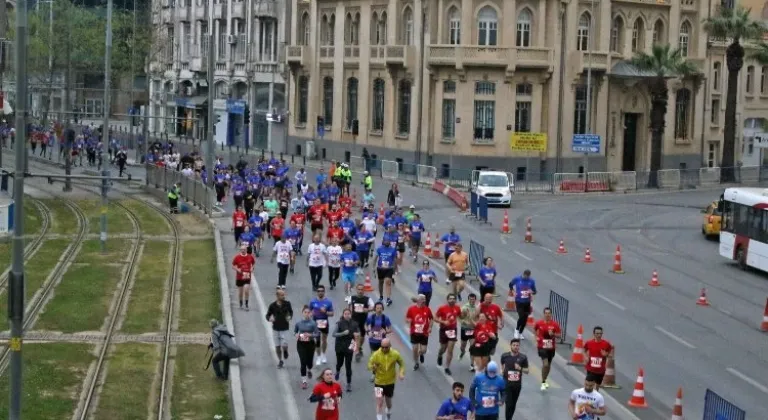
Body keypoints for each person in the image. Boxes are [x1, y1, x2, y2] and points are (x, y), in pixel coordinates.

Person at [367, 338, 406, 420]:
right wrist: (373, 367)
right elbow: (369, 365)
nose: (384, 349)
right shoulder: (376, 354)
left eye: (386, 347)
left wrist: (401, 373)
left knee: (389, 403)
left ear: (390, 346)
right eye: (382, 347)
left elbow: (402, 364)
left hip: (390, 382)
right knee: (379, 402)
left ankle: (388, 411)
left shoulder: (395, 354)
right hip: (379, 382)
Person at [500, 339, 529, 420]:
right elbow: (502, 363)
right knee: (508, 404)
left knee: (513, 405)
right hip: (507, 384)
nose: (516, 347)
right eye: (514, 345)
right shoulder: (505, 355)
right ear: (511, 346)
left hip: (517, 385)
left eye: (517, 345)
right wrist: (502, 370)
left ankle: (509, 418)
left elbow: (527, 371)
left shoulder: (523, 357)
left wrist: (520, 368)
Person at [534, 307, 562, 391]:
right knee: (545, 364)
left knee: (548, 366)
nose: (547, 315)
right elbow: (535, 329)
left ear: (551, 314)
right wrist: (536, 337)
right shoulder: (539, 323)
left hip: (551, 347)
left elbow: (559, 336)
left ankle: (544, 380)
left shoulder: (555, 324)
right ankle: (543, 382)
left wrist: (553, 334)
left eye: (549, 313)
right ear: (544, 314)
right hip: (542, 346)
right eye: (546, 313)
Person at [266, 287, 294, 368]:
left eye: (284, 295)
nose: (284, 296)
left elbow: (291, 312)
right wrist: (269, 318)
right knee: (277, 347)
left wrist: (289, 317)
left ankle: (285, 351)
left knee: (284, 344)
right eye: (282, 295)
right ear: (277, 296)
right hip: (276, 328)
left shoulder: (287, 304)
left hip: (285, 327)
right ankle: (280, 361)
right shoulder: (272, 305)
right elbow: (267, 315)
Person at [332, 308, 359, 391]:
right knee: (339, 363)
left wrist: (356, 334)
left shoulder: (354, 324)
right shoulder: (339, 323)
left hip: (349, 346)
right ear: (343, 315)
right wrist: (342, 333)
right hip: (340, 346)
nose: (347, 315)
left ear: (351, 315)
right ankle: (337, 371)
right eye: (345, 314)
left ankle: (348, 383)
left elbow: (358, 333)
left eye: (348, 314)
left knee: (348, 365)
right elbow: (334, 334)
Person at [435, 293, 462, 375]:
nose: (452, 300)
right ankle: (440, 355)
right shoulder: (442, 308)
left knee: (450, 349)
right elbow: (435, 318)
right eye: (450, 298)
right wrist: (443, 322)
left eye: (454, 298)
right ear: (447, 300)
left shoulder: (457, 308)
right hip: (443, 330)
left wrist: (465, 315)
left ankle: (447, 367)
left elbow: (460, 316)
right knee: (443, 348)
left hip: (453, 330)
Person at [405, 294, 434, 370]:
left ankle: (421, 354)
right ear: (418, 300)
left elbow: (431, 319)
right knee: (415, 349)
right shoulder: (411, 309)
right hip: (414, 332)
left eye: (424, 299)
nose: (424, 300)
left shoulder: (427, 309)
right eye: (422, 299)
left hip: (424, 333)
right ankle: (416, 363)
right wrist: (409, 321)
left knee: (424, 350)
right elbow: (407, 318)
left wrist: (430, 327)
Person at [348, 283, 374, 362]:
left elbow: (372, 306)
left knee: (362, 337)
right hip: (354, 321)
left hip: (363, 321)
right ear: (356, 290)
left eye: (361, 289)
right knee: (357, 336)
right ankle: (357, 353)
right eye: (358, 289)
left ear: (364, 290)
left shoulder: (368, 299)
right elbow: (349, 307)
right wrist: (349, 315)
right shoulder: (351, 298)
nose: (360, 291)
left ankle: (359, 347)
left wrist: (368, 309)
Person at [295, 306, 320, 389]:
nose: (307, 314)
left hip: (310, 344)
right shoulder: (298, 323)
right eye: (305, 312)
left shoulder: (313, 323)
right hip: (301, 344)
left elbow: (317, 334)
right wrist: (296, 335)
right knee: (303, 362)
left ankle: (309, 369)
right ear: (302, 313)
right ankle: (304, 381)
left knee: (309, 363)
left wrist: (310, 335)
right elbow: (295, 331)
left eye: (308, 312)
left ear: (310, 314)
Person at [310, 286, 335, 365]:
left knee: (324, 340)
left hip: (324, 322)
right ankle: (318, 356)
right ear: (317, 292)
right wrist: (311, 314)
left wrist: (326, 312)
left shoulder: (328, 302)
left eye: (322, 291)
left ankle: (323, 355)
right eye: (319, 291)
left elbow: (332, 313)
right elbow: (308, 311)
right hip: (315, 322)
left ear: (324, 292)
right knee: (317, 340)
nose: (320, 292)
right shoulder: (313, 301)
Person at [583, 326, 613, 391]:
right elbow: (584, 349)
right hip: (590, 368)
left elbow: (611, 354)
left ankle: (596, 393)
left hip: (600, 370)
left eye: (600, 333)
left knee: (597, 386)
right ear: (594, 334)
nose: (599, 335)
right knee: (589, 384)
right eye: (597, 333)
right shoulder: (589, 343)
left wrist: (606, 354)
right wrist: (586, 357)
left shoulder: (606, 344)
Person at [509, 270, 537, 340]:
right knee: (521, 316)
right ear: (523, 274)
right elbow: (510, 284)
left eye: (528, 277)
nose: (526, 278)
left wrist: (532, 292)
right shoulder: (517, 279)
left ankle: (520, 333)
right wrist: (513, 291)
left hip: (527, 302)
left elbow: (535, 291)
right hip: (519, 301)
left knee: (525, 319)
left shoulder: (531, 281)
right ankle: (516, 330)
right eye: (525, 276)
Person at [373, 238, 397, 306]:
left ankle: (388, 299)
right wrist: (373, 267)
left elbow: (395, 260)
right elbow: (375, 258)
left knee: (388, 282)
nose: (386, 242)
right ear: (383, 241)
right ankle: (381, 296)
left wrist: (395, 269)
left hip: (389, 268)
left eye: (388, 241)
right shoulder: (379, 249)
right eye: (385, 241)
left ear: (390, 242)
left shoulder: (393, 249)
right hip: (380, 268)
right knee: (381, 282)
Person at [479, 293, 504, 357]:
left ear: (492, 299)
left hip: (494, 331)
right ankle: (484, 362)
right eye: (486, 298)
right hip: (484, 331)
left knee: (492, 352)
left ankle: (487, 357)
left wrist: (501, 324)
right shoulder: (481, 306)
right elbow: (476, 314)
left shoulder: (496, 307)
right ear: (484, 298)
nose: (488, 300)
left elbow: (501, 315)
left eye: (489, 298)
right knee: (484, 349)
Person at [231, 244, 255, 310]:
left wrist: (252, 268)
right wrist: (237, 269)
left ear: (246, 250)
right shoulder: (237, 257)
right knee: (240, 292)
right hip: (239, 277)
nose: (243, 250)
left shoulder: (250, 257)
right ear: (240, 250)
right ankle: (241, 303)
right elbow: (233, 266)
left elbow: (253, 264)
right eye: (242, 249)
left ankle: (246, 304)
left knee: (246, 290)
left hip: (247, 276)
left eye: (244, 249)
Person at [459, 293, 479, 367]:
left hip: (473, 329)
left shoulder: (477, 308)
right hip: (464, 329)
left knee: (472, 347)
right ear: (468, 299)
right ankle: (463, 352)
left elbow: (478, 318)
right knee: (462, 346)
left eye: (473, 299)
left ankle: (472, 364)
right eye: (470, 299)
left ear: (475, 300)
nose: (472, 301)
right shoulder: (464, 307)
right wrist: (463, 322)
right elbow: (460, 317)